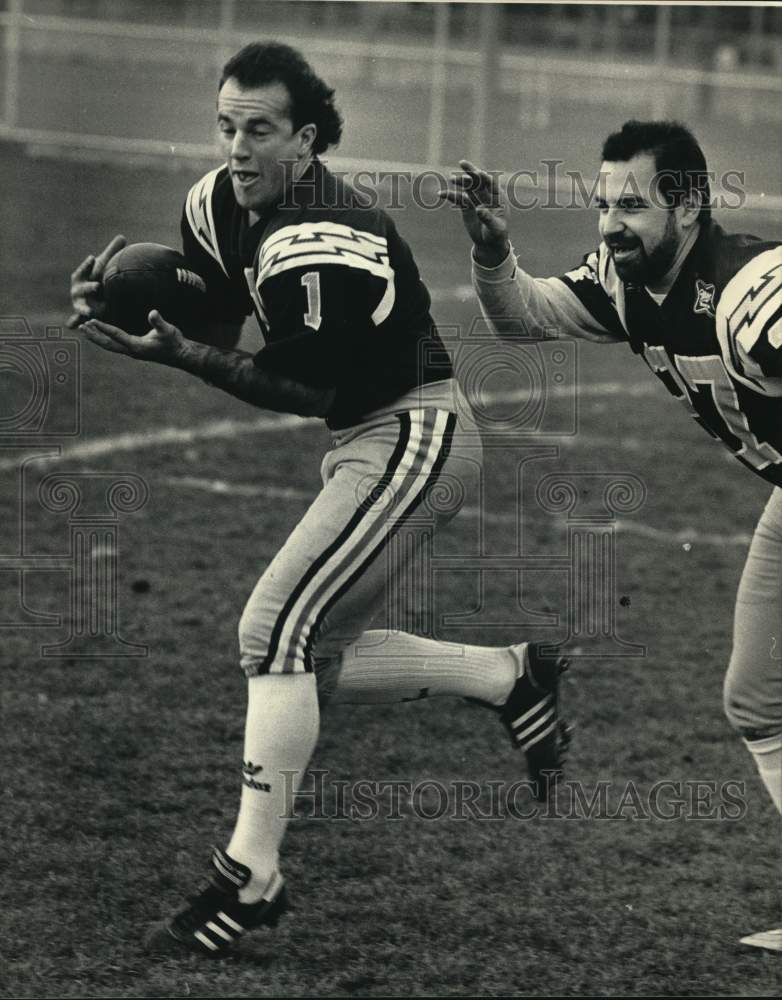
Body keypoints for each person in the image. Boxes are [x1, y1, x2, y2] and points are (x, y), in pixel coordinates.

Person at [68, 42, 570, 957]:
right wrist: (136, 304)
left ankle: (251, 874)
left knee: (272, 633)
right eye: (226, 125)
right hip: (368, 438)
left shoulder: (331, 236)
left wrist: (180, 354)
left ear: (305, 141)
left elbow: (303, 390)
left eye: (259, 129)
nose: (236, 147)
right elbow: (219, 315)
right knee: (313, 661)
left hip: (414, 432)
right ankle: (509, 676)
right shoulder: (217, 204)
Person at [440, 120, 782, 952]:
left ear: (691, 205)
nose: (608, 223)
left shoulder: (750, 285)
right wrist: (492, 252)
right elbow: (522, 318)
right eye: (602, 204)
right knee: (757, 698)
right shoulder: (626, 286)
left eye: (630, 204)